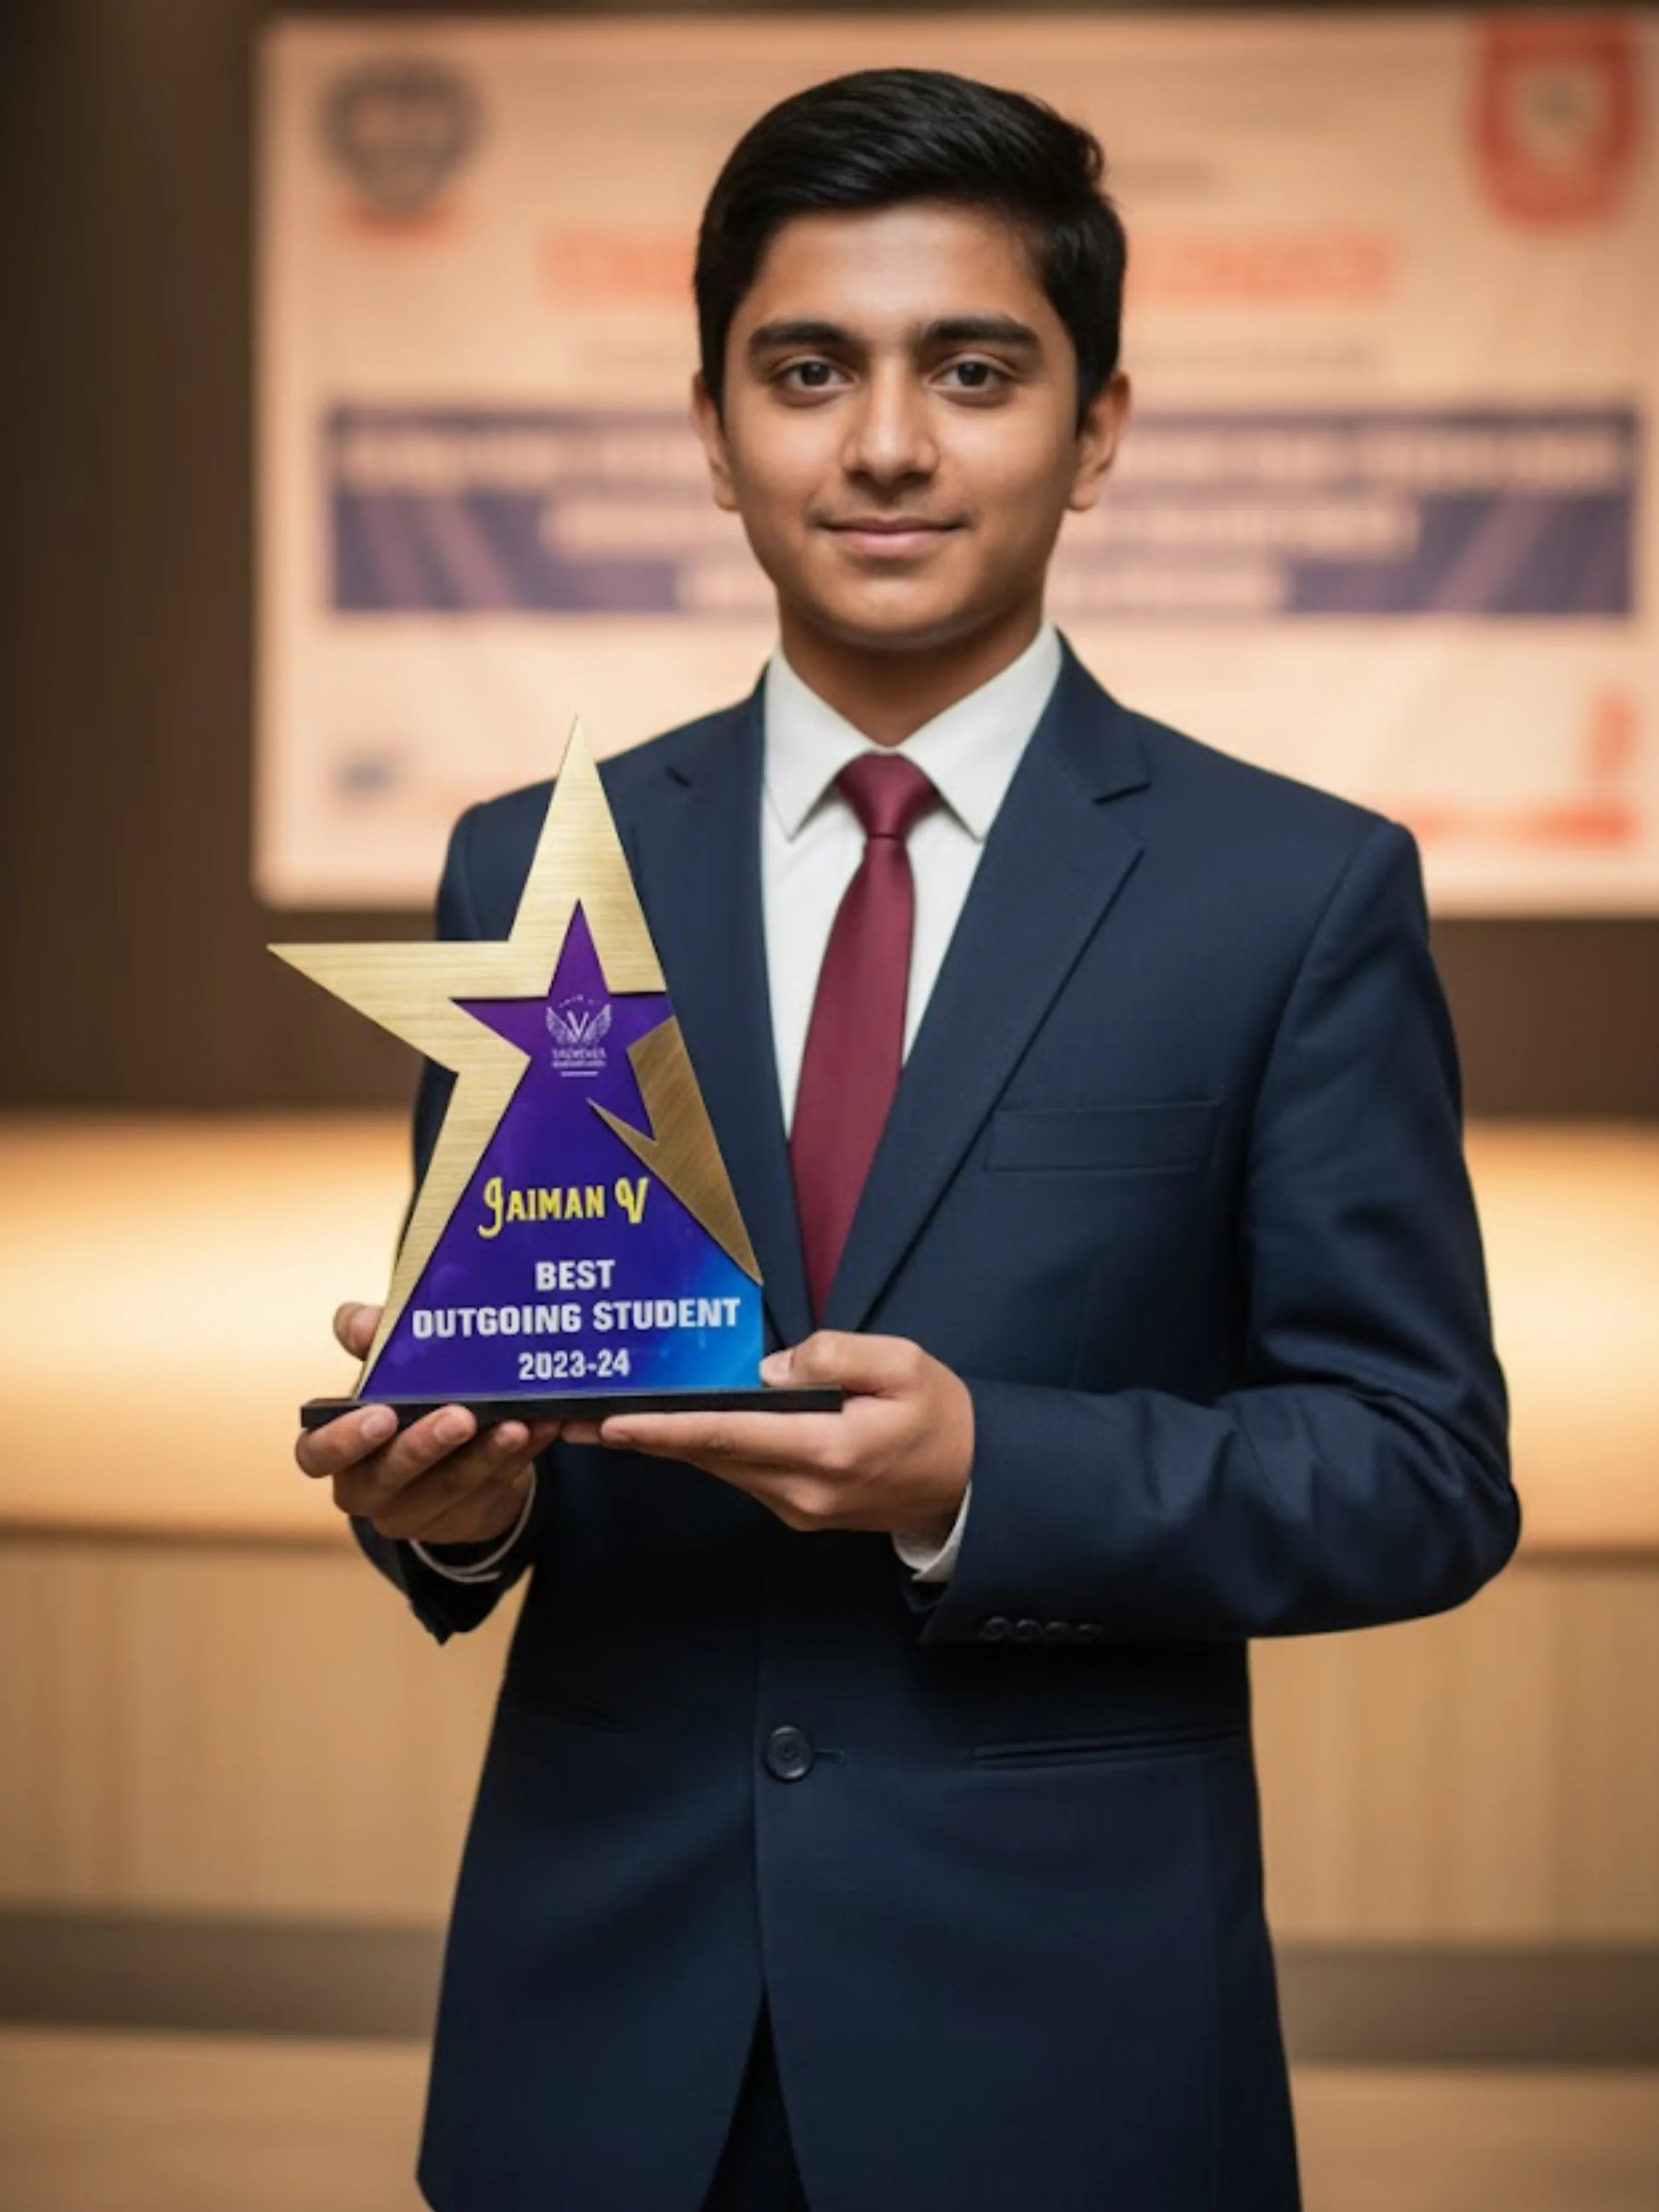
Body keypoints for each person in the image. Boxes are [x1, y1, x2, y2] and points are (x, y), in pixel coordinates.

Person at [294, 67, 1517, 2212]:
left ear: (1101, 427)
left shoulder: (1290, 893)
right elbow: (500, 1421)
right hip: (597, 2043)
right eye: (806, 370)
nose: (882, 442)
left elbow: (1422, 1471)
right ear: (710, 427)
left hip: (1061, 2044)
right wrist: (458, 1509)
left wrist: (986, 1479)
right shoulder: (538, 865)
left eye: (973, 370)